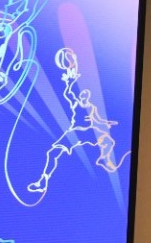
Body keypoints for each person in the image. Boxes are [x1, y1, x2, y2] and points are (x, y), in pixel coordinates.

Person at [29, 47, 125, 195]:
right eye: (82, 94)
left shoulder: (90, 107)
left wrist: (106, 124)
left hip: (88, 131)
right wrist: (70, 76)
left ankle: (105, 160)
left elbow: (98, 119)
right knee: (53, 153)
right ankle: (42, 182)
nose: (84, 96)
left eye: (85, 95)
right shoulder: (75, 101)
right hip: (75, 131)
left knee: (108, 141)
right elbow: (69, 93)